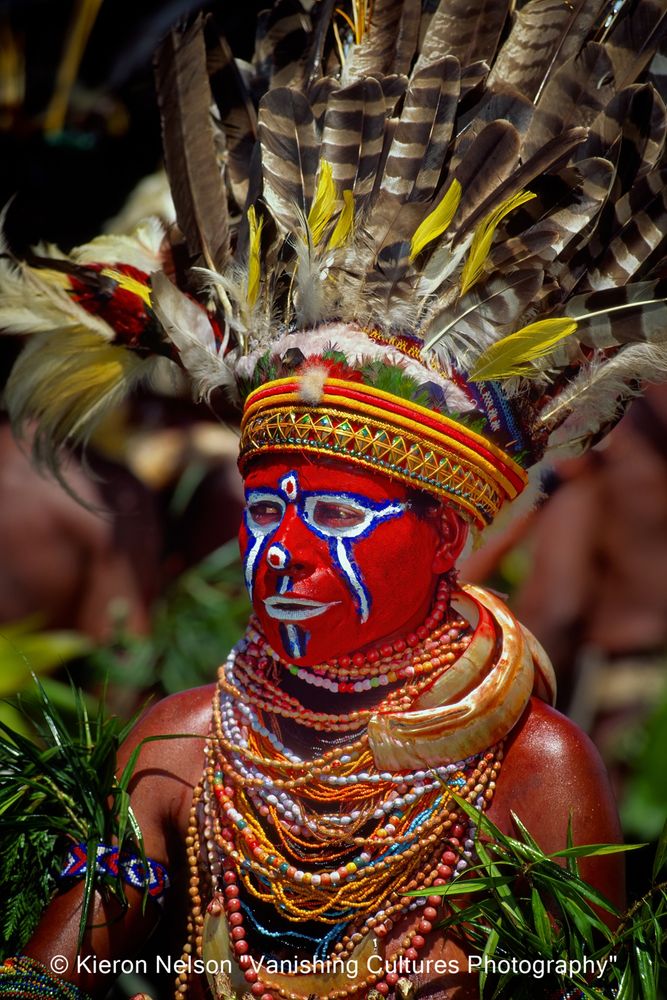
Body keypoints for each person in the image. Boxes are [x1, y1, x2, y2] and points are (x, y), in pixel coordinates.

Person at [1, 0, 666, 997]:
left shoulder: (533, 772)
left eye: (342, 517)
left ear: (446, 531)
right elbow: (57, 967)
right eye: (266, 511)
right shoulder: (177, 744)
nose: (285, 552)